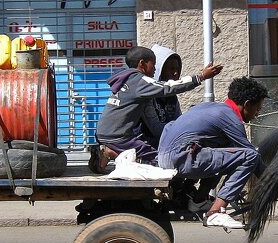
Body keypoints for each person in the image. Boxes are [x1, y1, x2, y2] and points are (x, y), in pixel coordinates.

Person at [157, 76, 269, 230]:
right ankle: (215, 212)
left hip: (165, 157)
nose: (257, 114)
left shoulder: (209, 107)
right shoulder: (230, 118)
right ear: (247, 104)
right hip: (181, 158)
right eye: (257, 109)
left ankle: (198, 200)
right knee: (251, 156)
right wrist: (275, 185)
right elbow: (251, 157)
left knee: (227, 148)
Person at [90, 45, 222, 173]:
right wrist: (200, 77)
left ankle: (107, 153)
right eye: (153, 64)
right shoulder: (141, 82)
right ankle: (109, 152)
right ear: (142, 64)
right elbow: (168, 87)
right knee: (158, 160)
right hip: (119, 136)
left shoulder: (129, 80)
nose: (154, 68)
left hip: (109, 133)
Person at [142, 45, 187, 147]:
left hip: (168, 143)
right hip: (146, 147)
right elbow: (156, 129)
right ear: (159, 70)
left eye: (177, 69)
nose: (175, 73)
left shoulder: (171, 97)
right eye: (171, 69)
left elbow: (178, 120)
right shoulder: (148, 95)